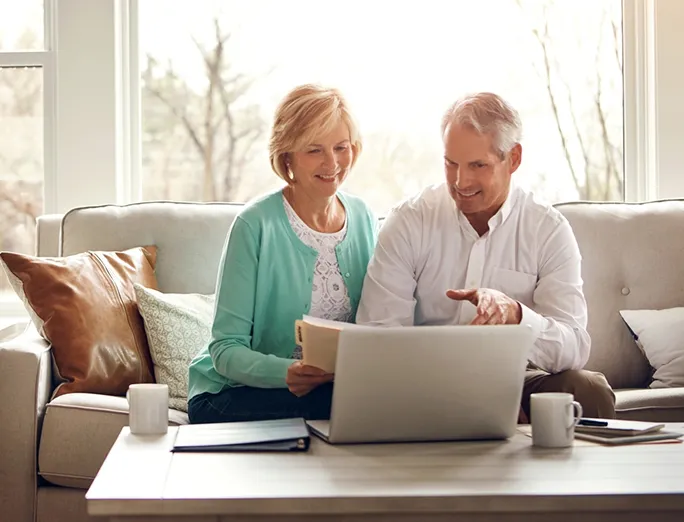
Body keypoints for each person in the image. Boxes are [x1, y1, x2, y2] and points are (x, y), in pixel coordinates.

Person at [356, 92, 616, 420]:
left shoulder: (547, 229)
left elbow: (574, 345)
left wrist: (517, 316)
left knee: (588, 389)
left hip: (516, 378)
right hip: (424, 380)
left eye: (478, 165)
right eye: (451, 163)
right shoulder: (410, 221)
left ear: (514, 158)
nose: (460, 181)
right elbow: (378, 335)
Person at [187, 84, 377, 423]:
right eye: (314, 150)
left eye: (341, 147)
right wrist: (287, 372)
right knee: (350, 407)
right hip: (229, 393)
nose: (332, 162)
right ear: (287, 155)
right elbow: (225, 350)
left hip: (328, 390)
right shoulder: (255, 224)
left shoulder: (363, 218)